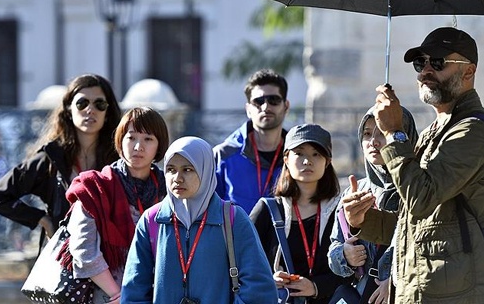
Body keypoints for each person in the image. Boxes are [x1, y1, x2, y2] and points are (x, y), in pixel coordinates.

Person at [344, 27, 484, 302]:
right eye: (421, 63)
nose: (425, 72)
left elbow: (421, 199)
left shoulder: (473, 132)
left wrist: (395, 134)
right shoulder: (438, 129)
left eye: (439, 62)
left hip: (459, 294)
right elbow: (413, 223)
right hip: (425, 290)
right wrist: (362, 220)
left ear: (468, 72)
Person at [121, 136, 277, 303]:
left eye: (188, 169)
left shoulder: (232, 219)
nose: (177, 178)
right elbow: (133, 292)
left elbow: (259, 290)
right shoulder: (152, 220)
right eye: (171, 169)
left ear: (206, 170)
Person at [0, 74, 122, 246]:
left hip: (111, 257)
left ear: (107, 113)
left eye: (99, 104)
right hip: (62, 257)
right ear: (69, 110)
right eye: (82, 103)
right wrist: (43, 220)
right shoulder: (50, 159)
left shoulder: (119, 158)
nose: (90, 110)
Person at [63, 107, 169, 304]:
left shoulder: (170, 191)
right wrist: (119, 295)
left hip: (158, 295)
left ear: (159, 145)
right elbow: (84, 250)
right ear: (120, 140)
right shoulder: (95, 188)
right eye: (131, 138)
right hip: (106, 296)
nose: (138, 147)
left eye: (148, 139)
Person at [328, 107, 418, 304]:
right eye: (367, 134)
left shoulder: (418, 188)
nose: (374, 142)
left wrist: (395, 281)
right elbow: (333, 248)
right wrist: (345, 255)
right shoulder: (356, 191)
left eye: (383, 133)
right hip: (361, 295)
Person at [249, 124, 347, 304]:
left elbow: (353, 271)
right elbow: (243, 263)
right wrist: (270, 279)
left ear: (327, 161)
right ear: (286, 158)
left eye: (316, 154)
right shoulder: (267, 210)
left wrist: (316, 286)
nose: (307, 161)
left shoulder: (341, 211)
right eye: (299, 153)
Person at [214, 69, 290, 213]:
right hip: (237, 236)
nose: (266, 107)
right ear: (248, 109)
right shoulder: (223, 155)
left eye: (274, 100)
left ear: (286, 106)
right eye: (258, 101)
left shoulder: (297, 155)